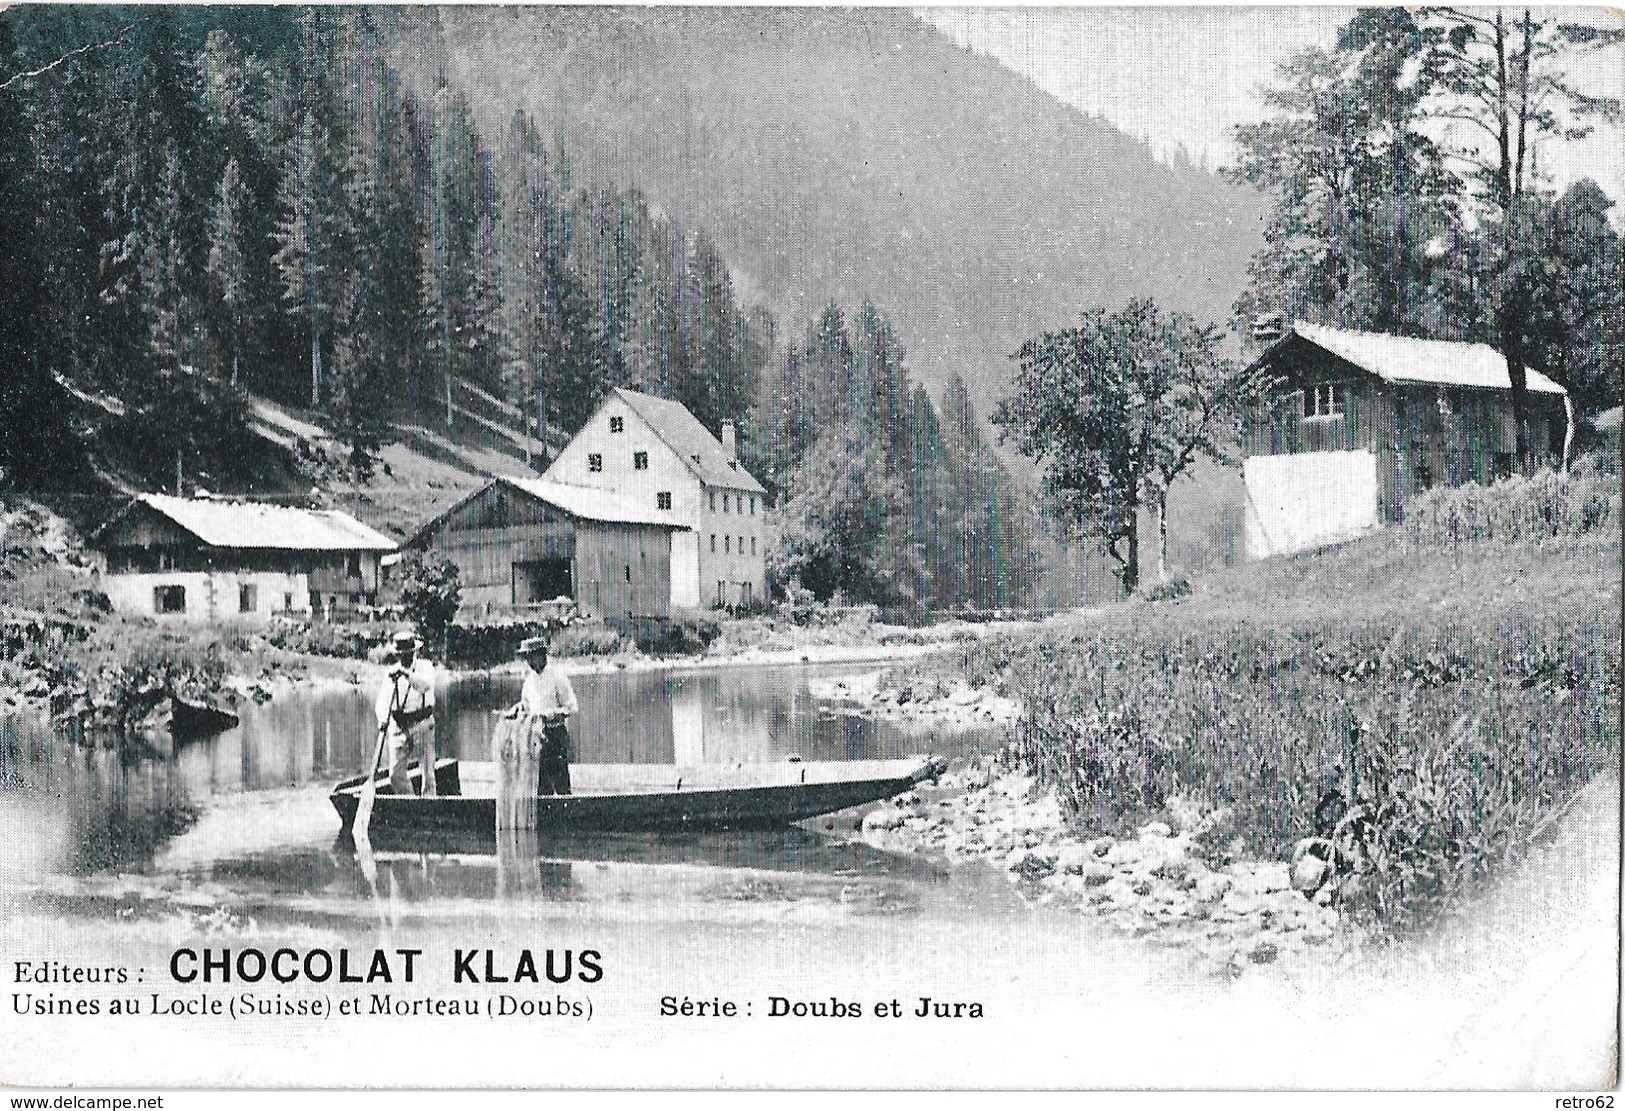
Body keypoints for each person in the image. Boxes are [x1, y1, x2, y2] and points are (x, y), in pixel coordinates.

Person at [511, 635, 577, 795]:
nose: (528, 661)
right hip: (536, 737)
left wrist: (553, 714)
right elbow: (526, 706)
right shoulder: (528, 682)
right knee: (541, 787)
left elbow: (572, 707)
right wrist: (517, 710)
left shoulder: (557, 676)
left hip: (555, 736)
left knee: (561, 785)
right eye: (526, 657)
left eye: (531, 657)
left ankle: (566, 816)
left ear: (541, 655)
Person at [375, 629, 437, 796]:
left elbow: (425, 686)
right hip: (399, 727)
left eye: (407, 653)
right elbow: (382, 702)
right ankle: (411, 806)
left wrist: (406, 674)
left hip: (422, 724)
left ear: (414, 652)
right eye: (400, 654)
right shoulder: (390, 673)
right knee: (395, 775)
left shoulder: (425, 667)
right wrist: (382, 720)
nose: (403, 657)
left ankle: (429, 806)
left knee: (428, 774)